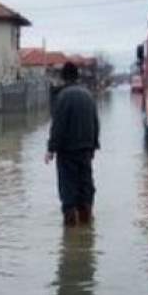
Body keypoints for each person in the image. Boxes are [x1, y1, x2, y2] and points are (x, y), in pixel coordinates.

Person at [46, 62, 100, 226]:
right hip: (86, 149)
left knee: (68, 188)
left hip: (68, 151)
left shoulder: (63, 96)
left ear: (63, 77)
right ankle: (86, 224)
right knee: (85, 186)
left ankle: (70, 231)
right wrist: (94, 144)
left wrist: (51, 148)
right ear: (77, 76)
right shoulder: (88, 95)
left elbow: (58, 125)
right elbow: (96, 122)